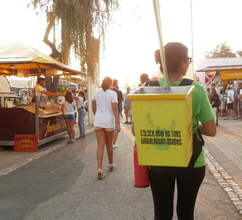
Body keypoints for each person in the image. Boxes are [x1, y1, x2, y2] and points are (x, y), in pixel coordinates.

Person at [132, 42, 216, 220]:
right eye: (188, 60)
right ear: (183, 63)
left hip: (159, 161)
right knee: (186, 214)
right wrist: (192, 126)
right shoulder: (196, 89)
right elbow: (211, 130)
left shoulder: (148, 88)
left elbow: (135, 129)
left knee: (162, 215)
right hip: (192, 162)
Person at [92, 77, 121, 179]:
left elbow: (93, 106)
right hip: (109, 121)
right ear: (111, 84)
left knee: (100, 145)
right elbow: (115, 108)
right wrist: (118, 123)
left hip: (98, 121)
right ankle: (111, 164)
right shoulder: (113, 94)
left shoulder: (96, 93)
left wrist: (98, 115)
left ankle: (99, 168)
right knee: (109, 144)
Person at [112, 79, 123, 149]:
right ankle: (113, 143)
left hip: (110, 111)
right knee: (116, 127)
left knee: (110, 128)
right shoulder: (119, 92)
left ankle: (109, 143)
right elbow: (122, 99)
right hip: (117, 110)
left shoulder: (110, 91)